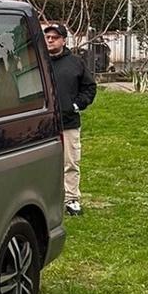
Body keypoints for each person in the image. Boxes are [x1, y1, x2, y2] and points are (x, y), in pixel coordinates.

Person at [43, 22, 96, 215]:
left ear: (64, 41)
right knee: (44, 164)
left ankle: (71, 199)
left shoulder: (76, 63)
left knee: (70, 162)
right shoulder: (38, 62)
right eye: (47, 37)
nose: (50, 40)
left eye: (54, 37)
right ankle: (46, 200)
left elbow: (89, 88)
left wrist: (77, 104)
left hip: (68, 123)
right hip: (42, 125)